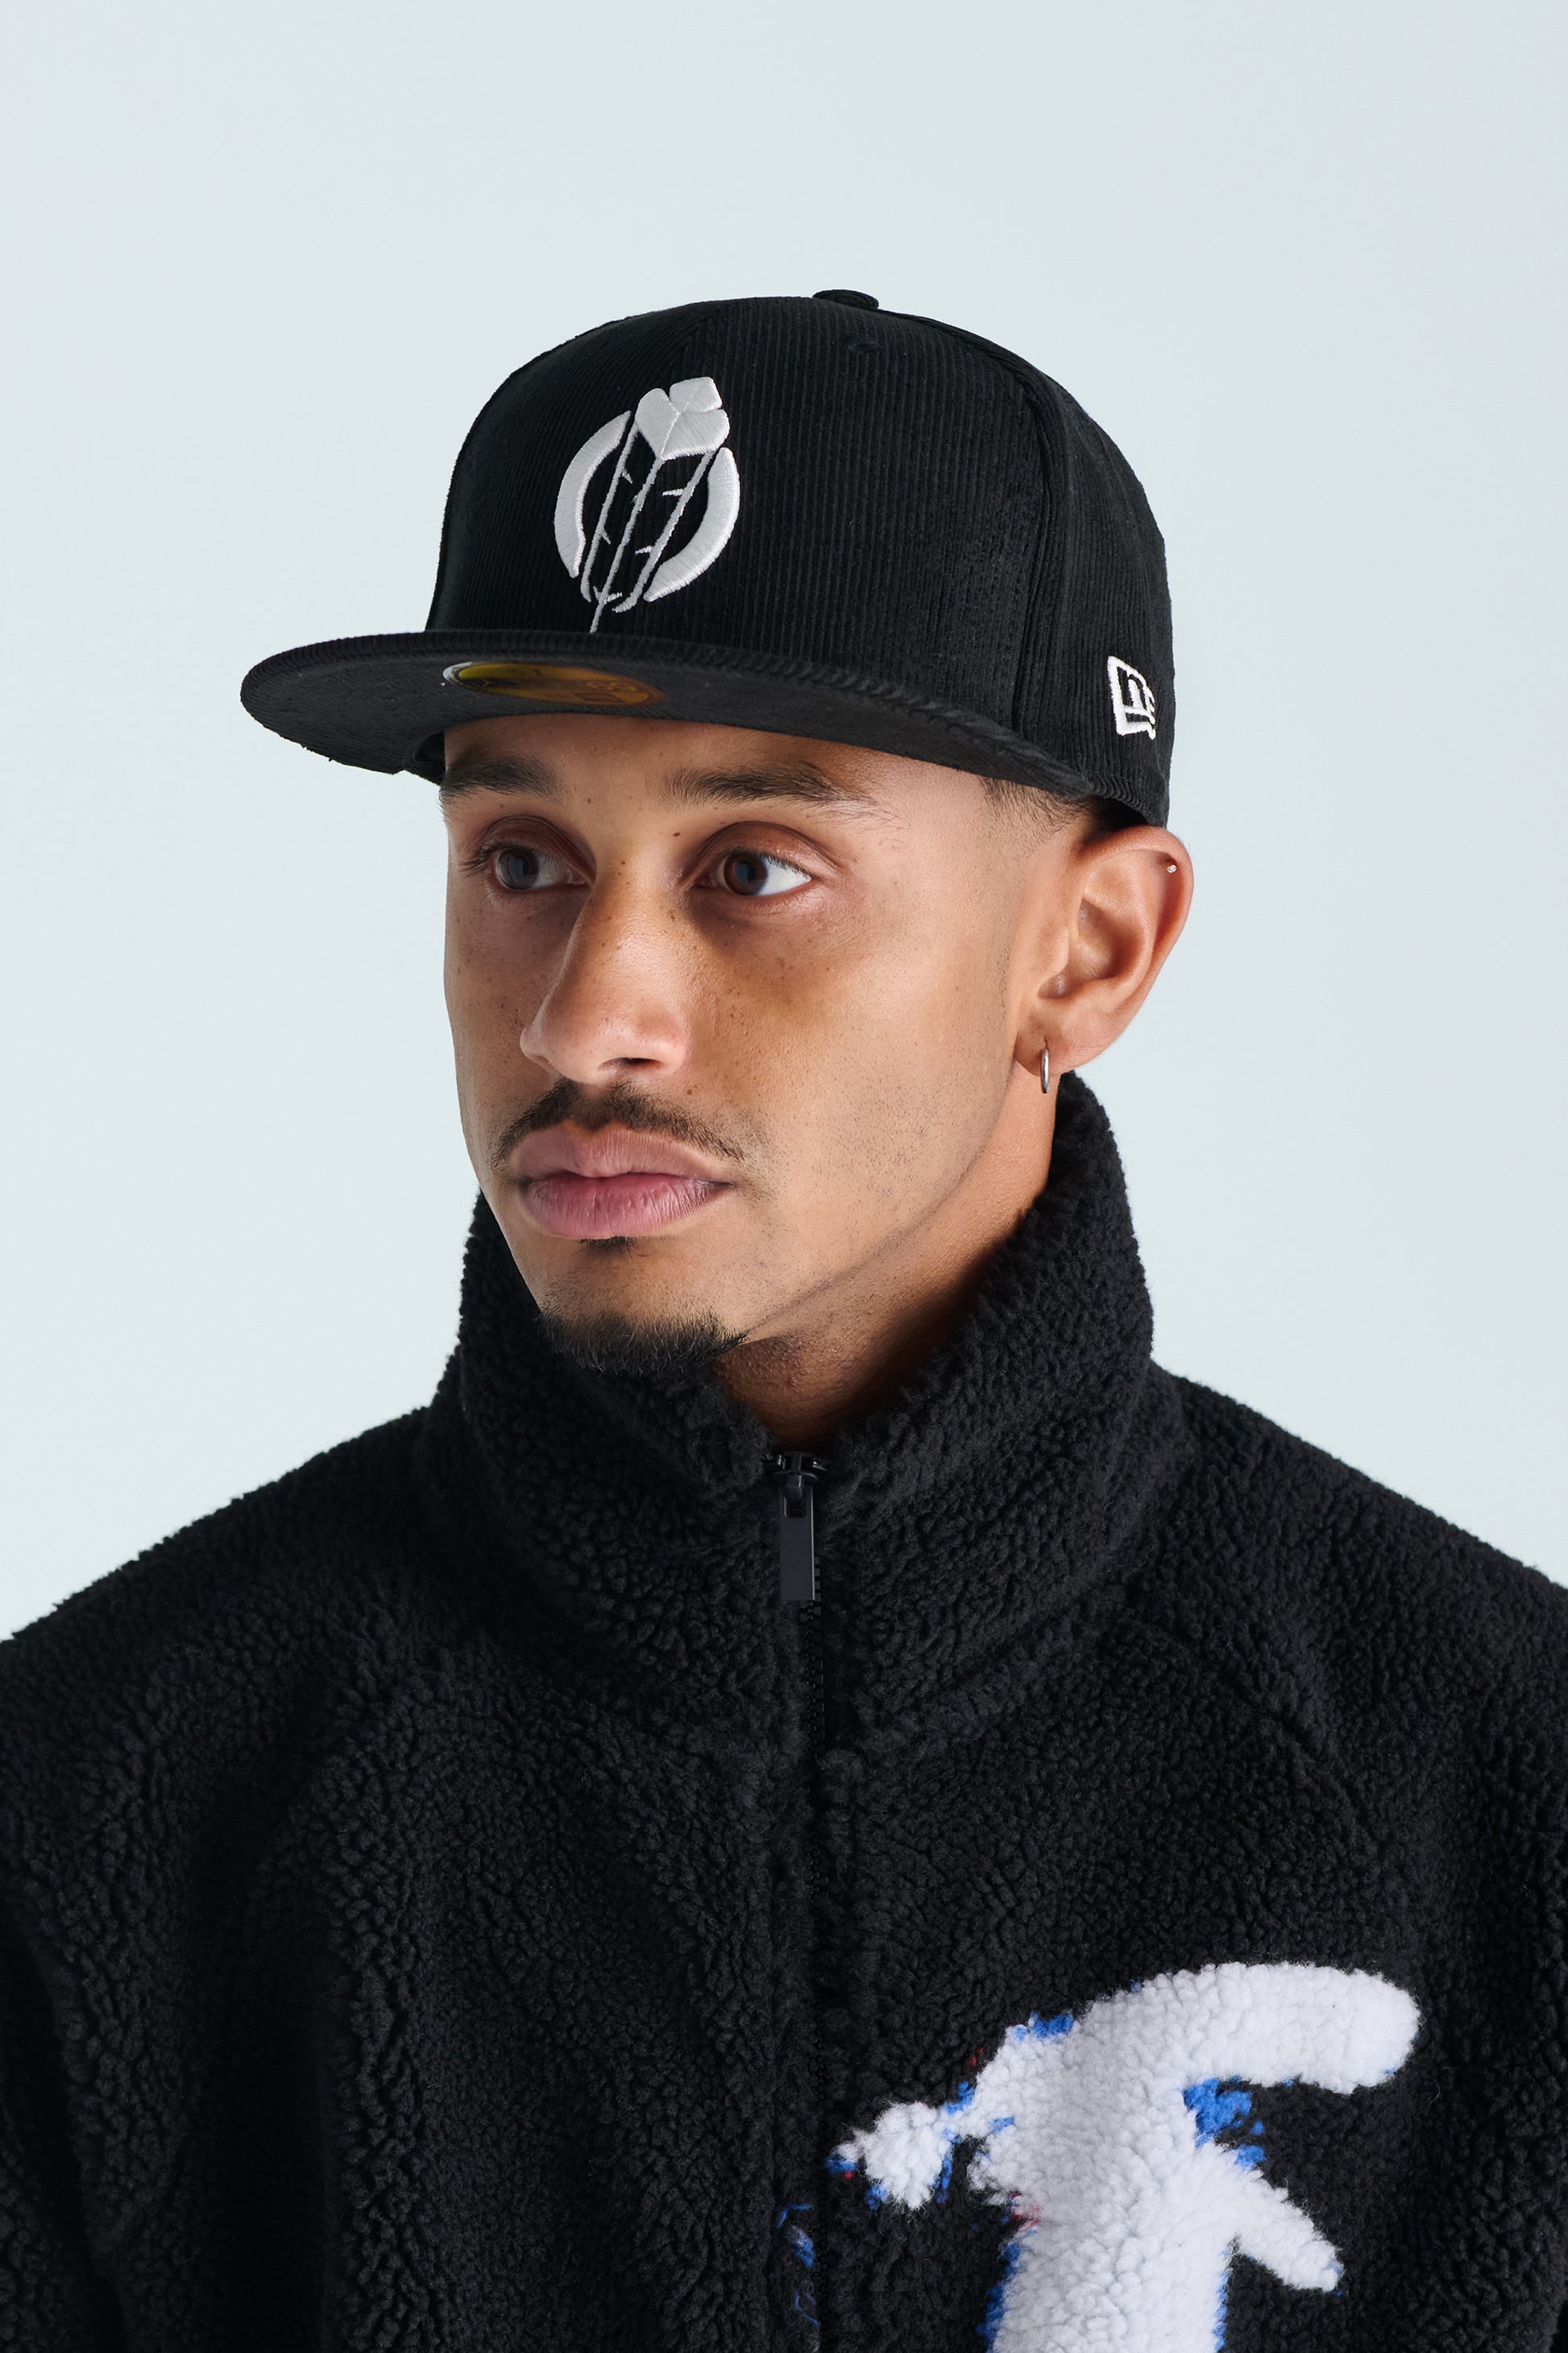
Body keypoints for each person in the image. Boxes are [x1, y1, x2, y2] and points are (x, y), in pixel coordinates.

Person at [2, 293, 1564, 2353]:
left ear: (1090, 950)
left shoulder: (1501, 1794)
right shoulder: (85, 1815)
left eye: (752, 866)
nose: (584, 1018)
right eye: (521, 857)